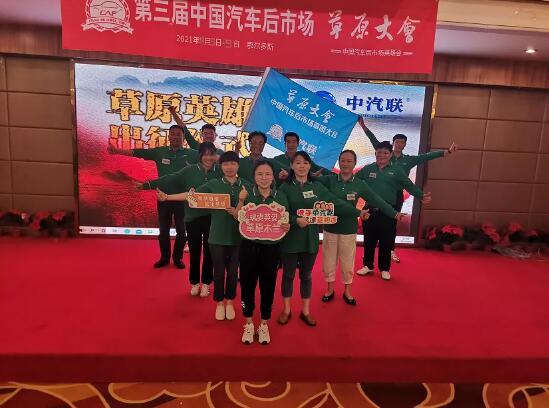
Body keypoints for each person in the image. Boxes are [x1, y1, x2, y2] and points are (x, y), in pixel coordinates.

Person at [278, 151, 369, 327]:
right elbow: (279, 213)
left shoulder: (317, 187)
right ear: (291, 166)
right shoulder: (285, 187)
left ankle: (305, 311)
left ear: (309, 166)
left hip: (310, 239)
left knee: (306, 276)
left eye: (305, 163)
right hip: (290, 239)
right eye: (298, 163)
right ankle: (286, 310)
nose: (301, 166)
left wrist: (357, 212)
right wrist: (295, 220)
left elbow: (336, 202)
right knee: (288, 276)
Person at [358, 116, 457, 263]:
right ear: (393, 143)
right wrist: (363, 126)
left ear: (405, 145)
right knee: (372, 224)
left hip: (396, 195)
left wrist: (447, 152)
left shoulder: (409, 160)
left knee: (392, 222)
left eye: (402, 142)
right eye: (397, 142)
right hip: (377, 194)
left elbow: (427, 156)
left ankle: (390, 250)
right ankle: (369, 256)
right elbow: (373, 140)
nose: (399, 144)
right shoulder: (385, 154)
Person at [316, 150, 405, 305]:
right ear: (339, 162)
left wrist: (394, 213)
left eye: (349, 161)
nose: (345, 164)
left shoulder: (359, 184)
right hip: (330, 228)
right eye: (343, 160)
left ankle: (347, 291)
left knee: (347, 263)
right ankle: (329, 289)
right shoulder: (329, 179)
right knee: (328, 262)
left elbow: (377, 200)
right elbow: (307, 177)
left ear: (355, 163)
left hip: (348, 229)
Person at [108, 125, 197, 268]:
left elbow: (209, 158)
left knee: (182, 232)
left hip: (182, 199)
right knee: (163, 231)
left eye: (178, 134)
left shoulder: (192, 154)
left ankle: (177, 258)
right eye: (172, 134)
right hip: (163, 198)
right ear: (169, 136)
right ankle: (164, 258)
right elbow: (138, 152)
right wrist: (117, 151)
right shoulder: (160, 152)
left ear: (183, 137)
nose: (175, 137)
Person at [145, 142, 221, 297]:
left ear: (215, 156)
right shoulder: (190, 170)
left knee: (210, 252)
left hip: (213, 218)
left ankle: (206, 283)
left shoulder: (219, 172)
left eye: (211, 154)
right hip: (193, 218)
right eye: (205, 154)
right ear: (200, 156)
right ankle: (195, 283)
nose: (208, 158)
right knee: (194, 252)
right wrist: (147, 185)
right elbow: (170, 178)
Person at [356, 141, 431, 281]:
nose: (382, 155)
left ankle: (384, 268)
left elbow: (409, 185)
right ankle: (367, 265)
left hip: (388, 211)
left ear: (390, 154)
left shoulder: (396, 170)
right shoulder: (368, 169)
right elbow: (353, 181)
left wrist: (421, 196)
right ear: (375, 153)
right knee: (369, 240)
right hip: (369, 210)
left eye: (385, 153)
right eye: (379, 152)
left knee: (386, 240)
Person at [236, 160, 290, 344]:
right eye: (260, 174)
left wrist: (286, 226)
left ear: (273, 177)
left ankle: (264, 324)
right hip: (248, 247)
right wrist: (241, 200)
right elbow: (237, 217)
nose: (264, 178)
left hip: (271, 249)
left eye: (267, 174)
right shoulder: (247, 194)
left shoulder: (280, 197)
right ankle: (249, 323)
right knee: (247, 285)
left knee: (268, 286)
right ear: (254, 176)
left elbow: (284, 222)